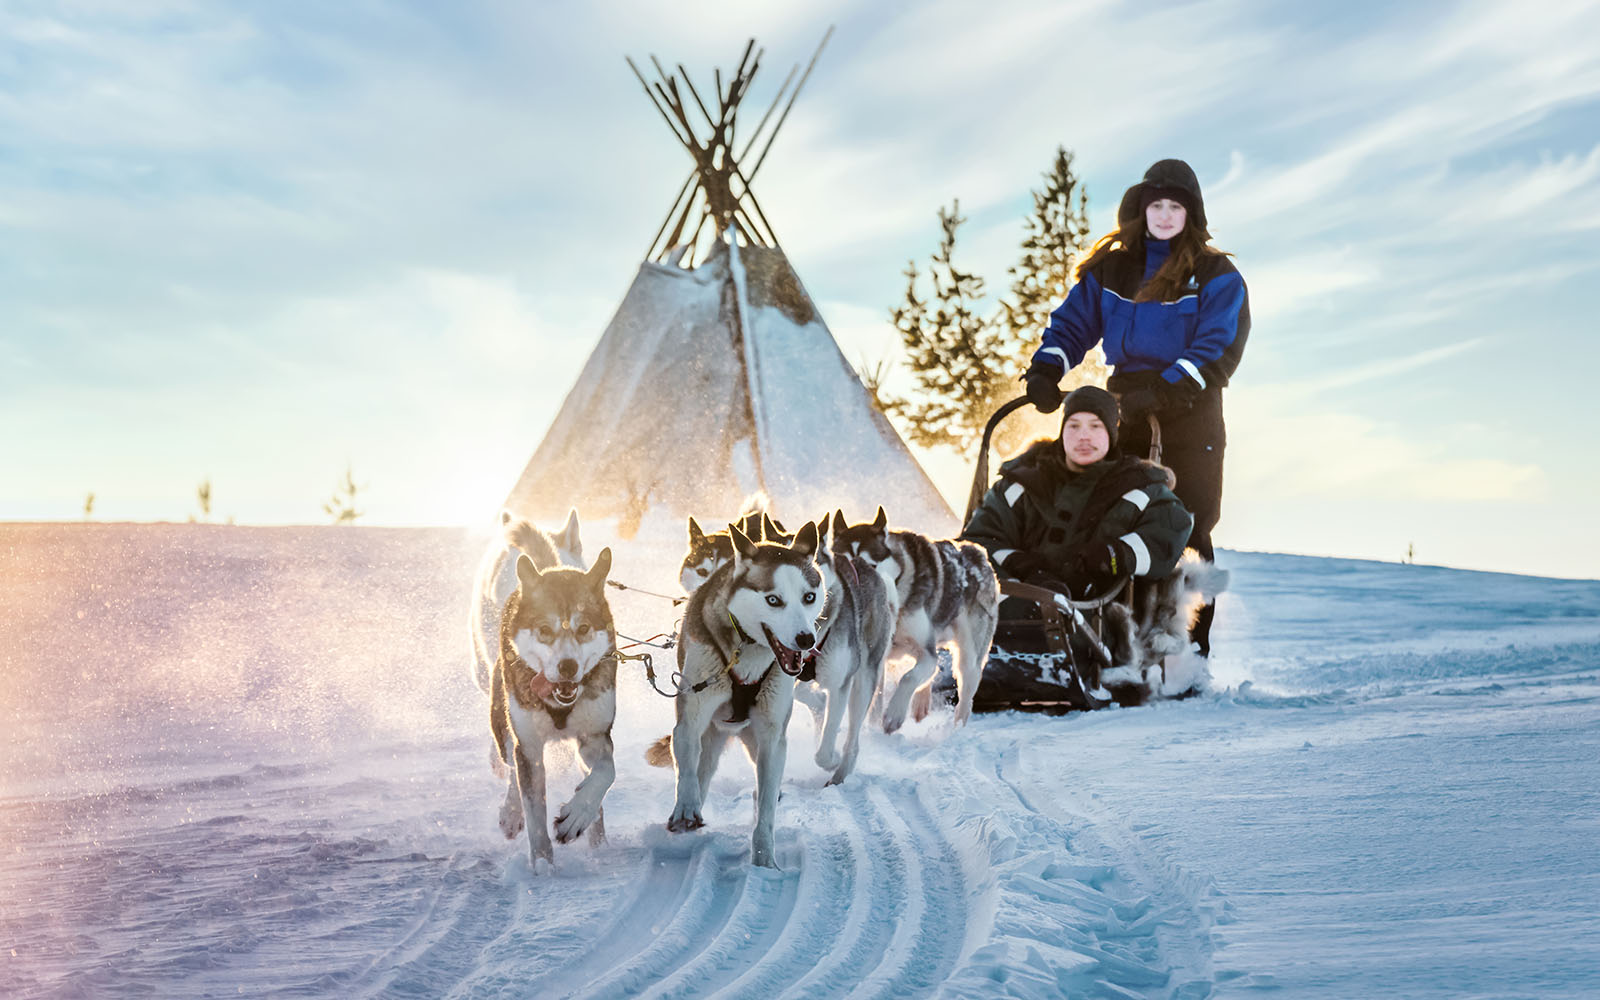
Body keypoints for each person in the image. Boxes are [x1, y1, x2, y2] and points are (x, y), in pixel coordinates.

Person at [1020, 158, 1249, 656]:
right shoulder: (1113, 268)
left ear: (1191, 213)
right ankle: (1109, 643)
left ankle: (1188, 653)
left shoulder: (1215, 274)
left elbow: (1217, 344)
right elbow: (1073, 324)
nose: (1165, 215)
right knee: (1110, 517)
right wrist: (1046, 370)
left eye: (1175, 206)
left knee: (1187, 521)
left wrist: (1168, 389)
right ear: (1140, 209)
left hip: (1192, 408)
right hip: (1125, 405)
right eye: (1156, 205)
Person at [962, 386, 1192, 600]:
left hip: (1097, 614)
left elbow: (1169, 530)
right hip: (1012, 604)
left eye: (1095, 426)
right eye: (1074, 426)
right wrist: (1024, 567)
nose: (1084, 436)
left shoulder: (1139, 486)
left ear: (1112, 433)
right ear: (1061, 432)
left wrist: (1111, 556)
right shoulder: (1021, 483)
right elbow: (979, 541)